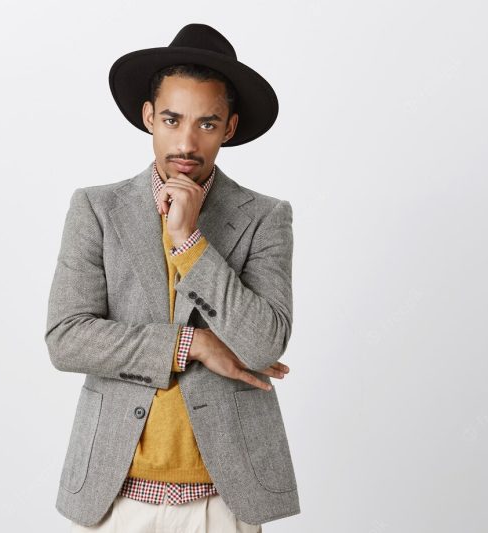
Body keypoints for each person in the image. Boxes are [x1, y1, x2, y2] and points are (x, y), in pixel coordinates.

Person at [45, 23, 300, 532]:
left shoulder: (265, 217)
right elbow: (66, 340)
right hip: (115, 493)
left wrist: (189, 242)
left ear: (229, 127)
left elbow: (263, 341)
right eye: (171, 119)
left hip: (225, 496)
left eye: (206, 123)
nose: (186, 141)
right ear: (148, 118)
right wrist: (192, 345)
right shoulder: (97, 209)